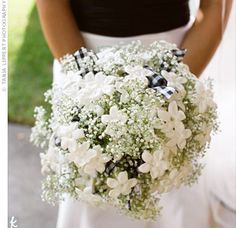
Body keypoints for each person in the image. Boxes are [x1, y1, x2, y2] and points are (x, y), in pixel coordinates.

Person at [35, 0, 233, 228]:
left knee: (172, 189)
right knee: (92, 189)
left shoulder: (177, 80)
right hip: (81, 59)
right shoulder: (83, 76)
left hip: (177, 58)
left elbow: (217, 7)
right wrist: (88, 83)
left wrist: (174, 86)